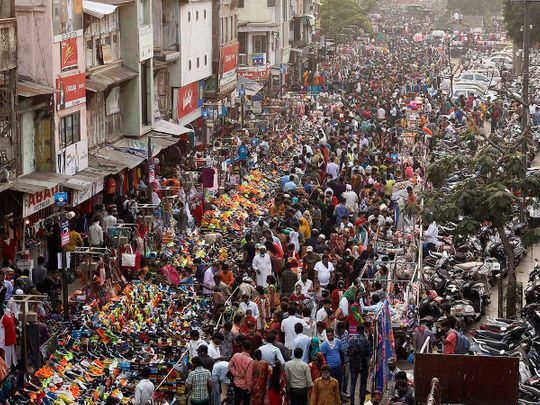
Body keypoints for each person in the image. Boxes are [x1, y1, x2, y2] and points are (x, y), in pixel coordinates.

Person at [348, 324, 371, 405]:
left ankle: (352, 402)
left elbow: (348, 352)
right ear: (362, 330)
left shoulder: (351, 340)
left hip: (353, 364)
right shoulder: (365, 341)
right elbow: (369, 354)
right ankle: (361, 402)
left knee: (353, 384)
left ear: (356, 330)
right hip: (364, 365)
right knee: (363, 383)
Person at [229, 340, 254, 405]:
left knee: (237, 400)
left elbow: (230, 366)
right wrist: (249, 387)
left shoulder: (236, 355)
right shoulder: (250, 361)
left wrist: (236, 374)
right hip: (245, 385)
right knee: (246, 402)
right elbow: (249, 376)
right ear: (250, 348)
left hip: (236, 382)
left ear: (242, 347)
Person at [320, 328, 343, 396]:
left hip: (338, 366)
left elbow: (341, 353)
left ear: (333, 335)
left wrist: (343, 364)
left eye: (331, 335)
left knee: (339, 383)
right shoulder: (324, 345)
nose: (330, 337)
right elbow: (323, 357)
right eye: (328, 336)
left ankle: (339, 397)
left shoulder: (338, 342)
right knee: (331, 384)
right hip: (330, 368)